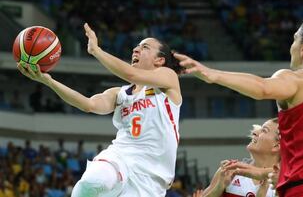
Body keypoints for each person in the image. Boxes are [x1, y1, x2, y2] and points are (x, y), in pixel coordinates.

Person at [174, 17, 303, 197]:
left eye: (294, 40)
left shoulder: (298, 79)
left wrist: (212, 74)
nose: (291, 46)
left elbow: (262, 88)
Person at [16, 23, 184, 196]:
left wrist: (96, 50)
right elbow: (88, 104)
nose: (135, 50)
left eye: (145, 47)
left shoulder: (167, 79)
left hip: (150, 180)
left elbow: (130, 74)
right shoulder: (120, 94)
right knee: (91, 182)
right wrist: (48, 81)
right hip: (120, 158)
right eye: (136, 47)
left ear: (160, 60)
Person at [201, 118, 279, 197]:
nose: (255, 132)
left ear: (276, 146)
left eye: (264, 130)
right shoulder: (229, 169)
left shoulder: (282, 183)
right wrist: (219, 188)